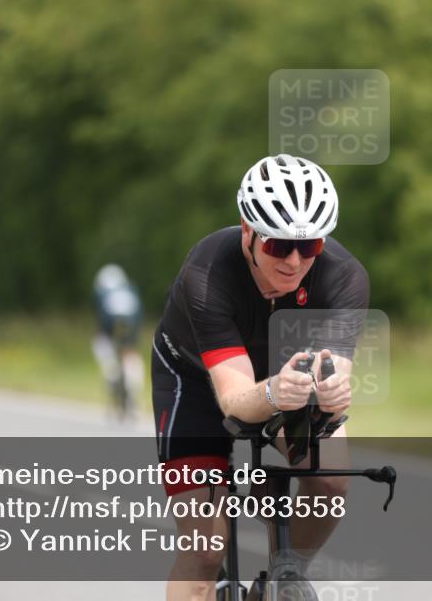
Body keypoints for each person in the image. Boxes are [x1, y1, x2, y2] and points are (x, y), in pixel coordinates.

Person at [151, 154, 369, 600]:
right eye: (278, 246)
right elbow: (234, 401)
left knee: (330, 477)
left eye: (309, 247)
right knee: (205, 550)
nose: (293, 261)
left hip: (284, 375)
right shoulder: (208, 272)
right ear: (248, 233)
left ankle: (279, 577)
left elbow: (333, 387)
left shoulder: (344, 278)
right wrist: (274, 392)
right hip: (193, 379)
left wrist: (332, 396)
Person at [92, 263, 145, 420]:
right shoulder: (130, 289)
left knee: (102, 347)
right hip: (132, 324)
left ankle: (112, 374)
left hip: (109, 326)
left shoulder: (102, 293)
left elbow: (100, 319)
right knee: (131, 354)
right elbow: (139, 312)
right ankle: (133, 393)